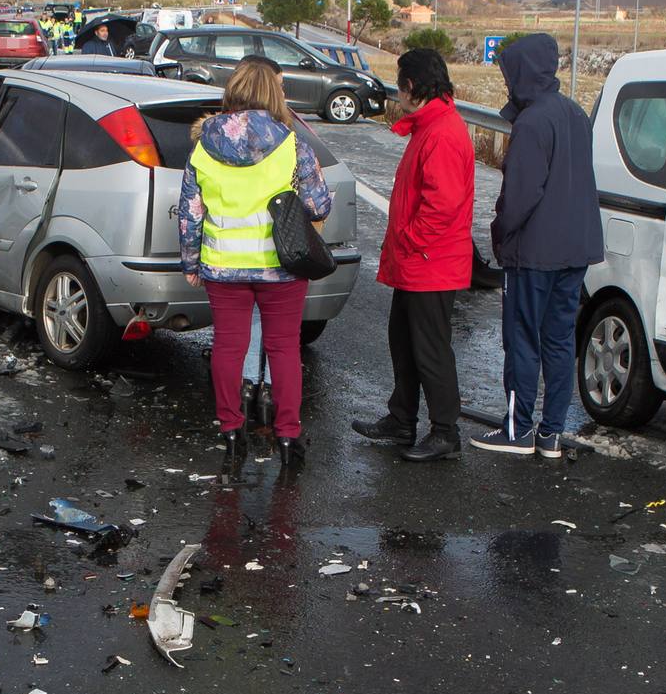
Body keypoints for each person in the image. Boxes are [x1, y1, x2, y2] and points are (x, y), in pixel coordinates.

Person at [176, 57, 331, 469]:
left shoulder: (202, 145)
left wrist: (191, 262)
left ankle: (231, 432)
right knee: (283, 349)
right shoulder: (292, 143)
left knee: (229, 348)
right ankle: (288, 437)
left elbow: (190, 210)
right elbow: (319, 203)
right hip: (281, 267)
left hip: (223, 267)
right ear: (272, 93)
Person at [473, 33, 602, 460]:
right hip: (576, 247)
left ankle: (518, 428)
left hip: (534, 252)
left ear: (523, 73)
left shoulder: (531, 123)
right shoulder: (574, 114)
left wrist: (499, 232)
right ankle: (551, 433)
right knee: (560, 341)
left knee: (522, 339)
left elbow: (521, 196)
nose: (508, 83)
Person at [351, 49, 472, 462]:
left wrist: (410, 239)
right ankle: (401, 419)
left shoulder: (441, 132)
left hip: (430, 262)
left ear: (413, 88)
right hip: (418, 261)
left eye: (400, 84)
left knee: (430, 350)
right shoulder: (430, 126)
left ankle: (445, 432)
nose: (396, 93)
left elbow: (443, 206)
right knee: (403, 343)